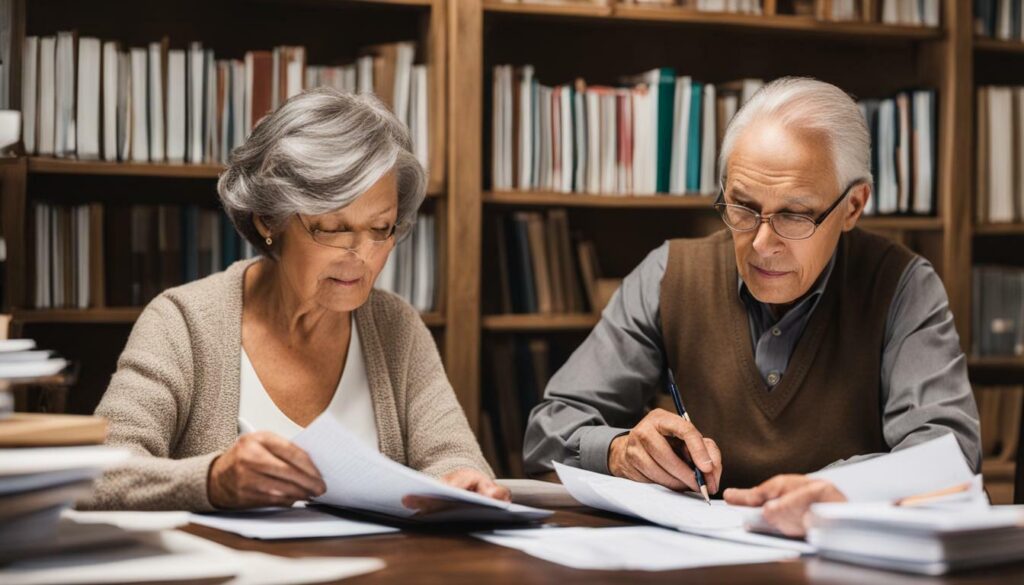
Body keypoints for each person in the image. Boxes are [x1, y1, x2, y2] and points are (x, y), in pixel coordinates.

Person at [523, 77, 980, 536]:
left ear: (853, 207)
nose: (762, 244)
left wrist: (837, 488)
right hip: (697, 561)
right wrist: (619, 450)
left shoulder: (902, 284)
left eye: (794, 215)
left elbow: (948, 453)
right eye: (743, 208)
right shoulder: (669, 274)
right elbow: (547, 432)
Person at [81, 88, 507, 511]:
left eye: (380, 228)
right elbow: (101, 475)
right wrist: (212, 481)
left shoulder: (396, 325)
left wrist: (462, 483)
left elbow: (452, 456)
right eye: (333, 227)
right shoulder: (184, 322)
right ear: (269, 218)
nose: (361, 255)